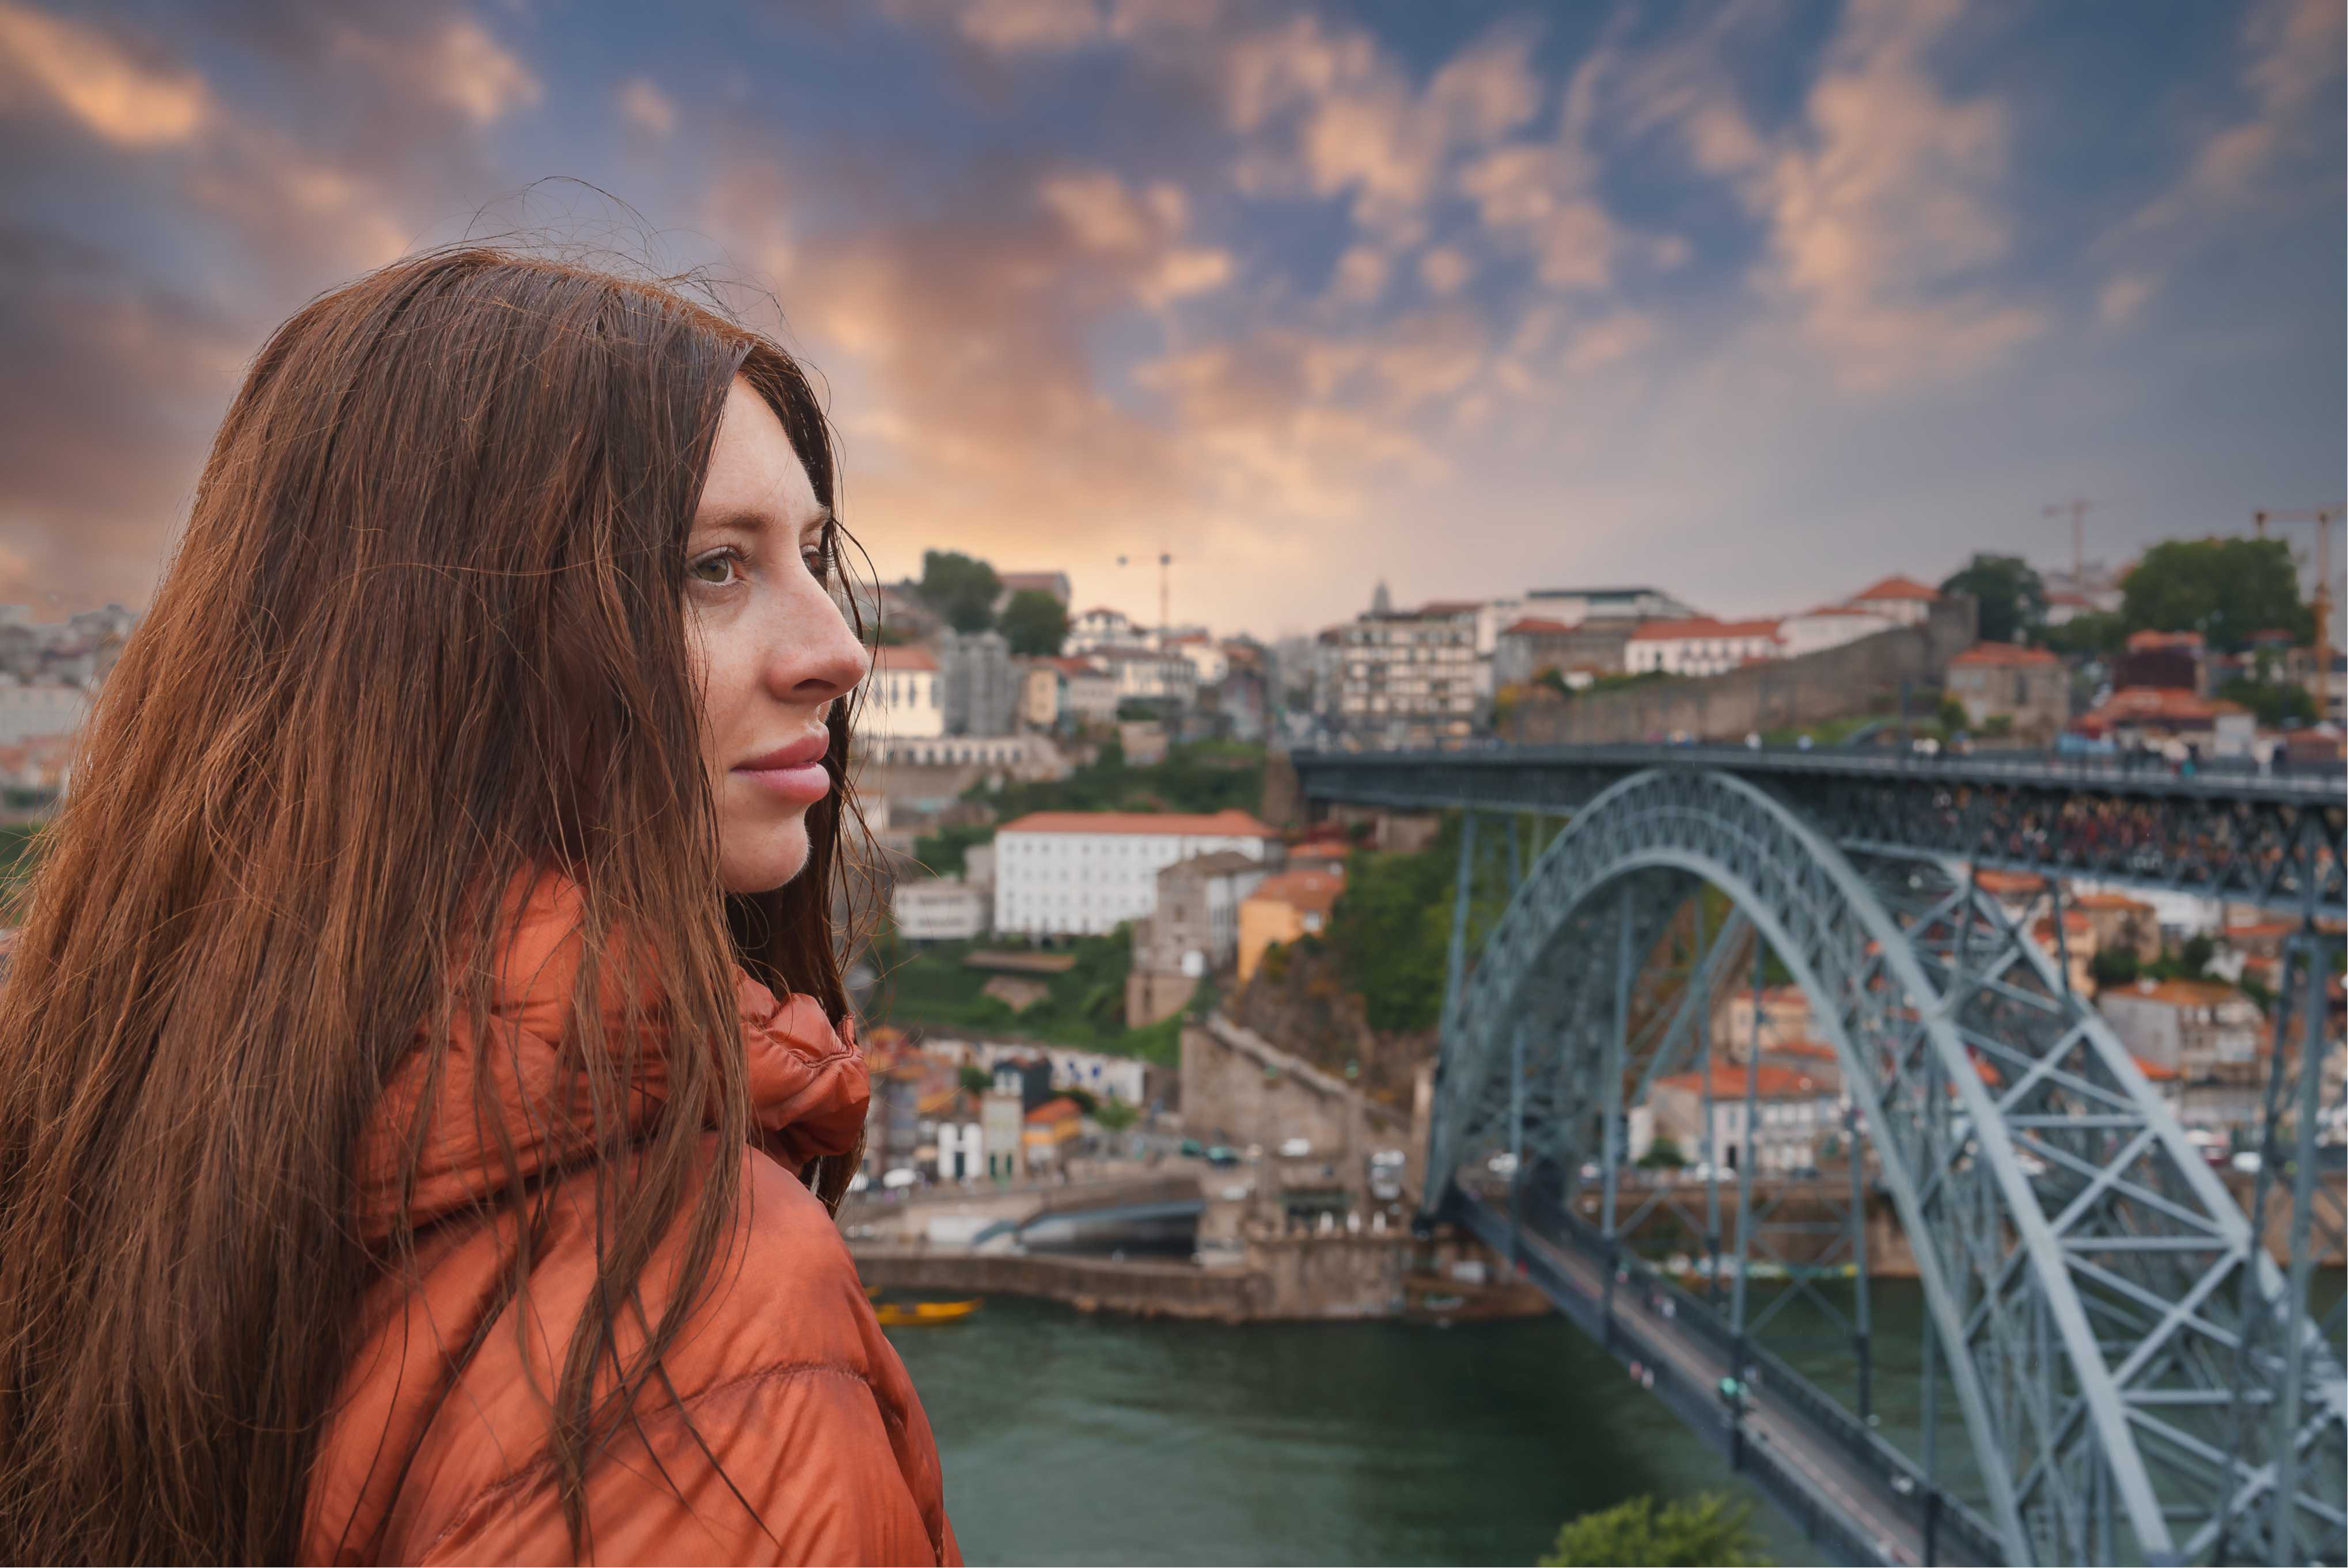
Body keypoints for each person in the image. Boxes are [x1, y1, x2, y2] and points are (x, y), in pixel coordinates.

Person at [0, 250, 959, 1566]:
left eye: (808, 555)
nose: (838, 653)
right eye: (710, 569)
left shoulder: (100, 1104)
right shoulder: (705, 1308)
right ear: (461, 652)